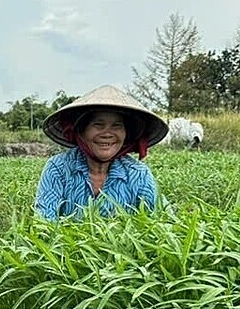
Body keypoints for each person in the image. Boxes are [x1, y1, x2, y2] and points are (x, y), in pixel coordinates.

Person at [34, 84, 168, 220]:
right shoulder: (58, 168)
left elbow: (164, 221)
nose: (107, 134)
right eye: (98, 125)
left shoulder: (139, 174)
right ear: (81, 131)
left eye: (117, 126)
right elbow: (44, 222)